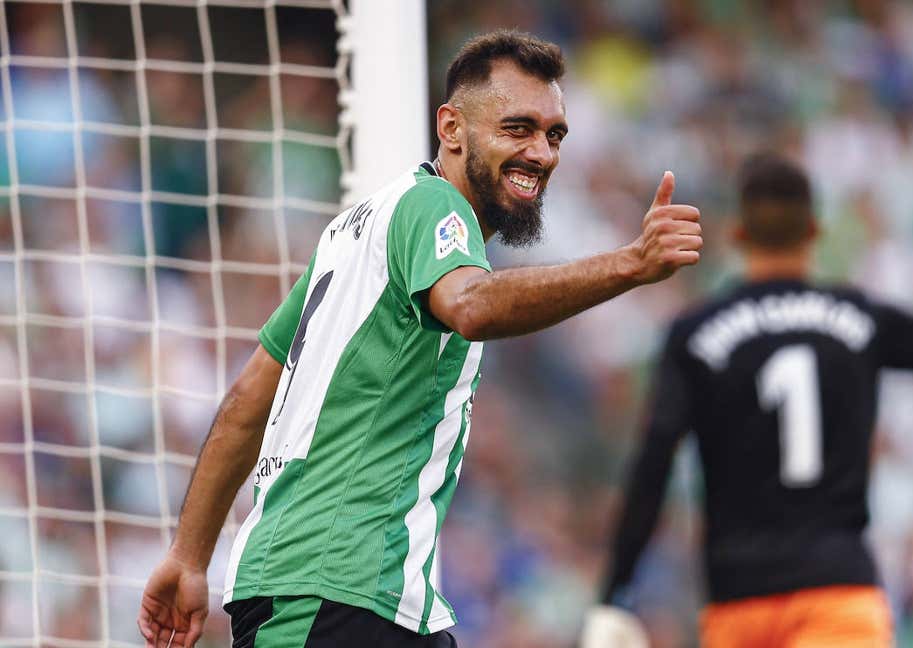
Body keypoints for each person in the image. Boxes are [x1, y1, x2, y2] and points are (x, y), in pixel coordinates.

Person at [138, 30, 703, 648]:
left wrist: (190, 557)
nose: (542, 153)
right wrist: (631, 264)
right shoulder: (433, 206)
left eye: (554, 134)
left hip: (369, 594)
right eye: (517, 129)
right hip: (333, 589)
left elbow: (249, 399)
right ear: (452, 128)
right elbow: (472, 306)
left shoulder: (348, 236)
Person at [581, 153, 913, 648]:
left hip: (738, 600)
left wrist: (614, 592)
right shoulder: (860, 319)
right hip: (838, 593)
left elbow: (653, 462)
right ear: (815, 230)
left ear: (739, 232)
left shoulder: (696, 332)